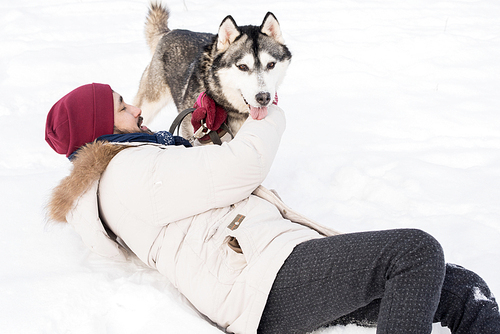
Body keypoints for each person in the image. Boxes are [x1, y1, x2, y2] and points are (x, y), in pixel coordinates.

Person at [46, 83, 500, 334]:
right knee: (414, 253)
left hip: (270, 276)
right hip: (264, 282)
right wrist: (265, 111)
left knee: (459, 287)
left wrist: (203, 137)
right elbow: (239, 169)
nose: (136, 107)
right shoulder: (126, 172)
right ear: (101, 130)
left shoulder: (138, 167)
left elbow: (206, 191)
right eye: (122, 107)